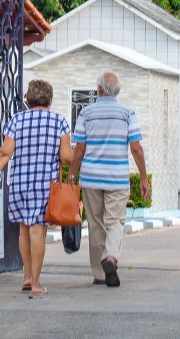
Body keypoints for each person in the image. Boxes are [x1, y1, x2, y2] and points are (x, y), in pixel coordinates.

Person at [0, 79, 72, 297]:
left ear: (28, 100)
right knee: (37, 229)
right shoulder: (59, 122)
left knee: (24, 228)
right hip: (44, 185)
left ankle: (27, 276)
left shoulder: (16, 120)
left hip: (20, 182)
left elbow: (4, 153)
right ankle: (37, 284)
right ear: (49, 100)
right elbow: (66, 157)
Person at [69, 71, 150, 288]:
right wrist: (143, 178)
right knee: (115, 222)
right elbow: (136, 148)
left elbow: (79, 149)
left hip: (91, 179)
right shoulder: (127, 113)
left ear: (99, 90)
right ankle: (111, 257)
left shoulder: (86, 113)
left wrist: (71, 176)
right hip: (117, 179)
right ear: (118, 91)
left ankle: (99, 273)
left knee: (95, 224)